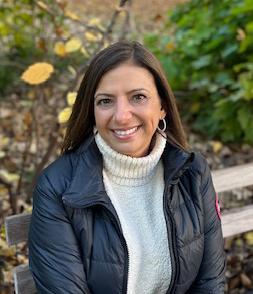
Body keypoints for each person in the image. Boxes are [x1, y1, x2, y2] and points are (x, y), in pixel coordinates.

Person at [28, 41, 226, 294]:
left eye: (138, 97)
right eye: (105, 101)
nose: (122, 115)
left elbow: (210, 283)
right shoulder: (57, 187)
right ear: (92, 110)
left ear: (162, 106)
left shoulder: (193, 172)